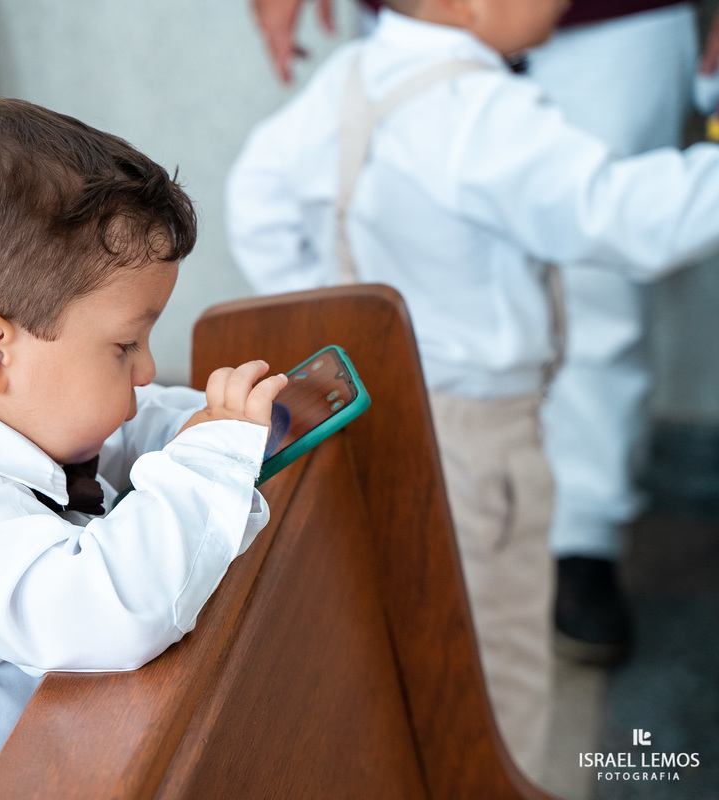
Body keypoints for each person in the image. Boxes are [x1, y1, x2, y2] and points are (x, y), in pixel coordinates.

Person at [226, 0, 719, 782]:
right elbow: (620, 217)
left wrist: (333, 312)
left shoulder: (354, 74)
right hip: (484, 435)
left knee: (416, 615)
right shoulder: (485, 113)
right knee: (502, 655)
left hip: (387, 404)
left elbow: (255, 194)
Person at [0, 95, 286, 800]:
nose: (145, 369)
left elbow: (126, 430)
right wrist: (210, 464)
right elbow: (114, 607)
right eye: (124, 345)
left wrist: (212, 425)